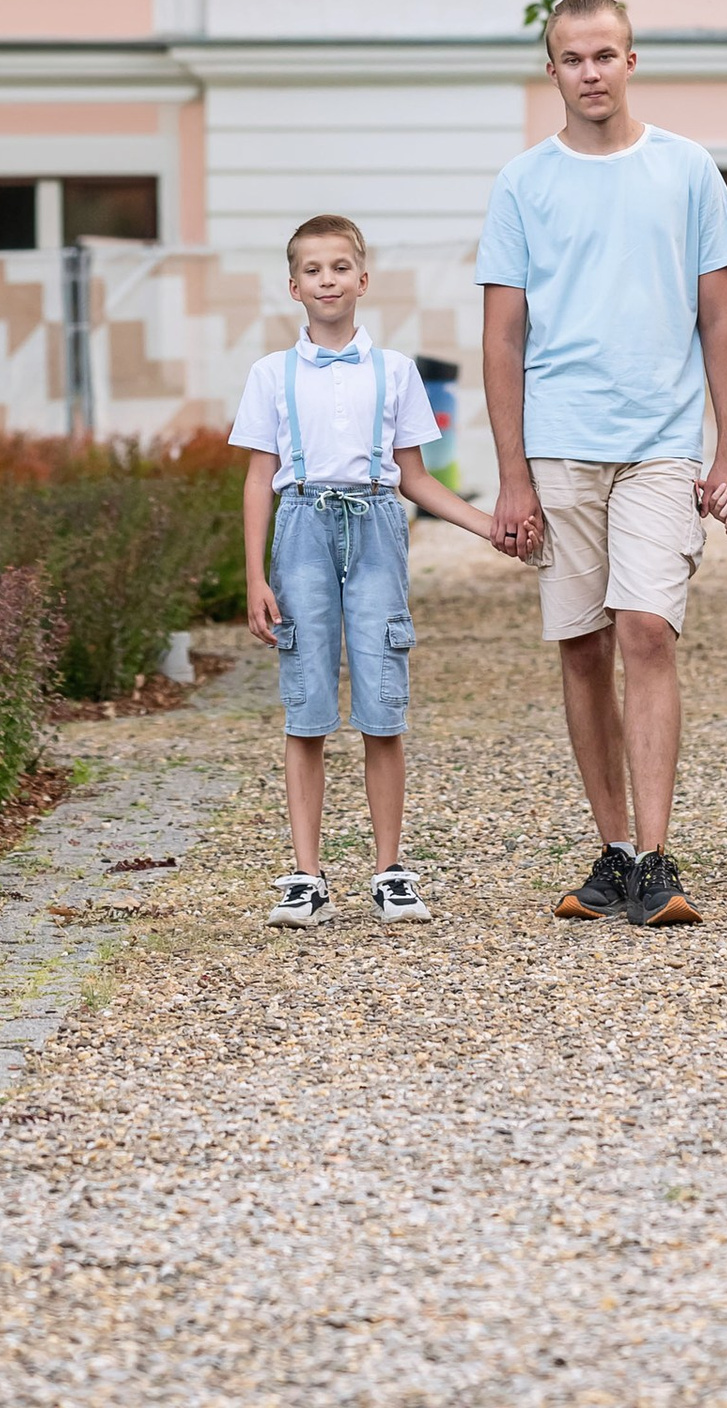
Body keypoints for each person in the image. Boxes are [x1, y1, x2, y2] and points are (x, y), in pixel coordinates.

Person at [478, 0, 727, 930]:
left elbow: (721, 318)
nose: (590, 73)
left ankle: (659, 856)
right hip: (559, 443)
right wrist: (511, 473)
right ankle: (613, 852)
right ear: (550, 69)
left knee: (647, 630)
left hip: (661, 443)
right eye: (572, 58)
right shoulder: (523, 183)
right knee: (584, 646)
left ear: (631, 61)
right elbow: (502, 336)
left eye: (605, 55)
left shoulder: (687, 169)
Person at [232, 210, 506, 926]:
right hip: (301, 532)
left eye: (340, 267)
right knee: (308, 704)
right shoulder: (270, 374)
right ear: (293, 286)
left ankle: (390, 871)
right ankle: (305, 874)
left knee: (382, 701)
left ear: (363, 278)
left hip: (378, 525)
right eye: (313, 270)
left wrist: (488, 526)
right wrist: (256, 577)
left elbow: (415, 476)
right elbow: (260, 478)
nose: (328, 280)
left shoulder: (396, 372)